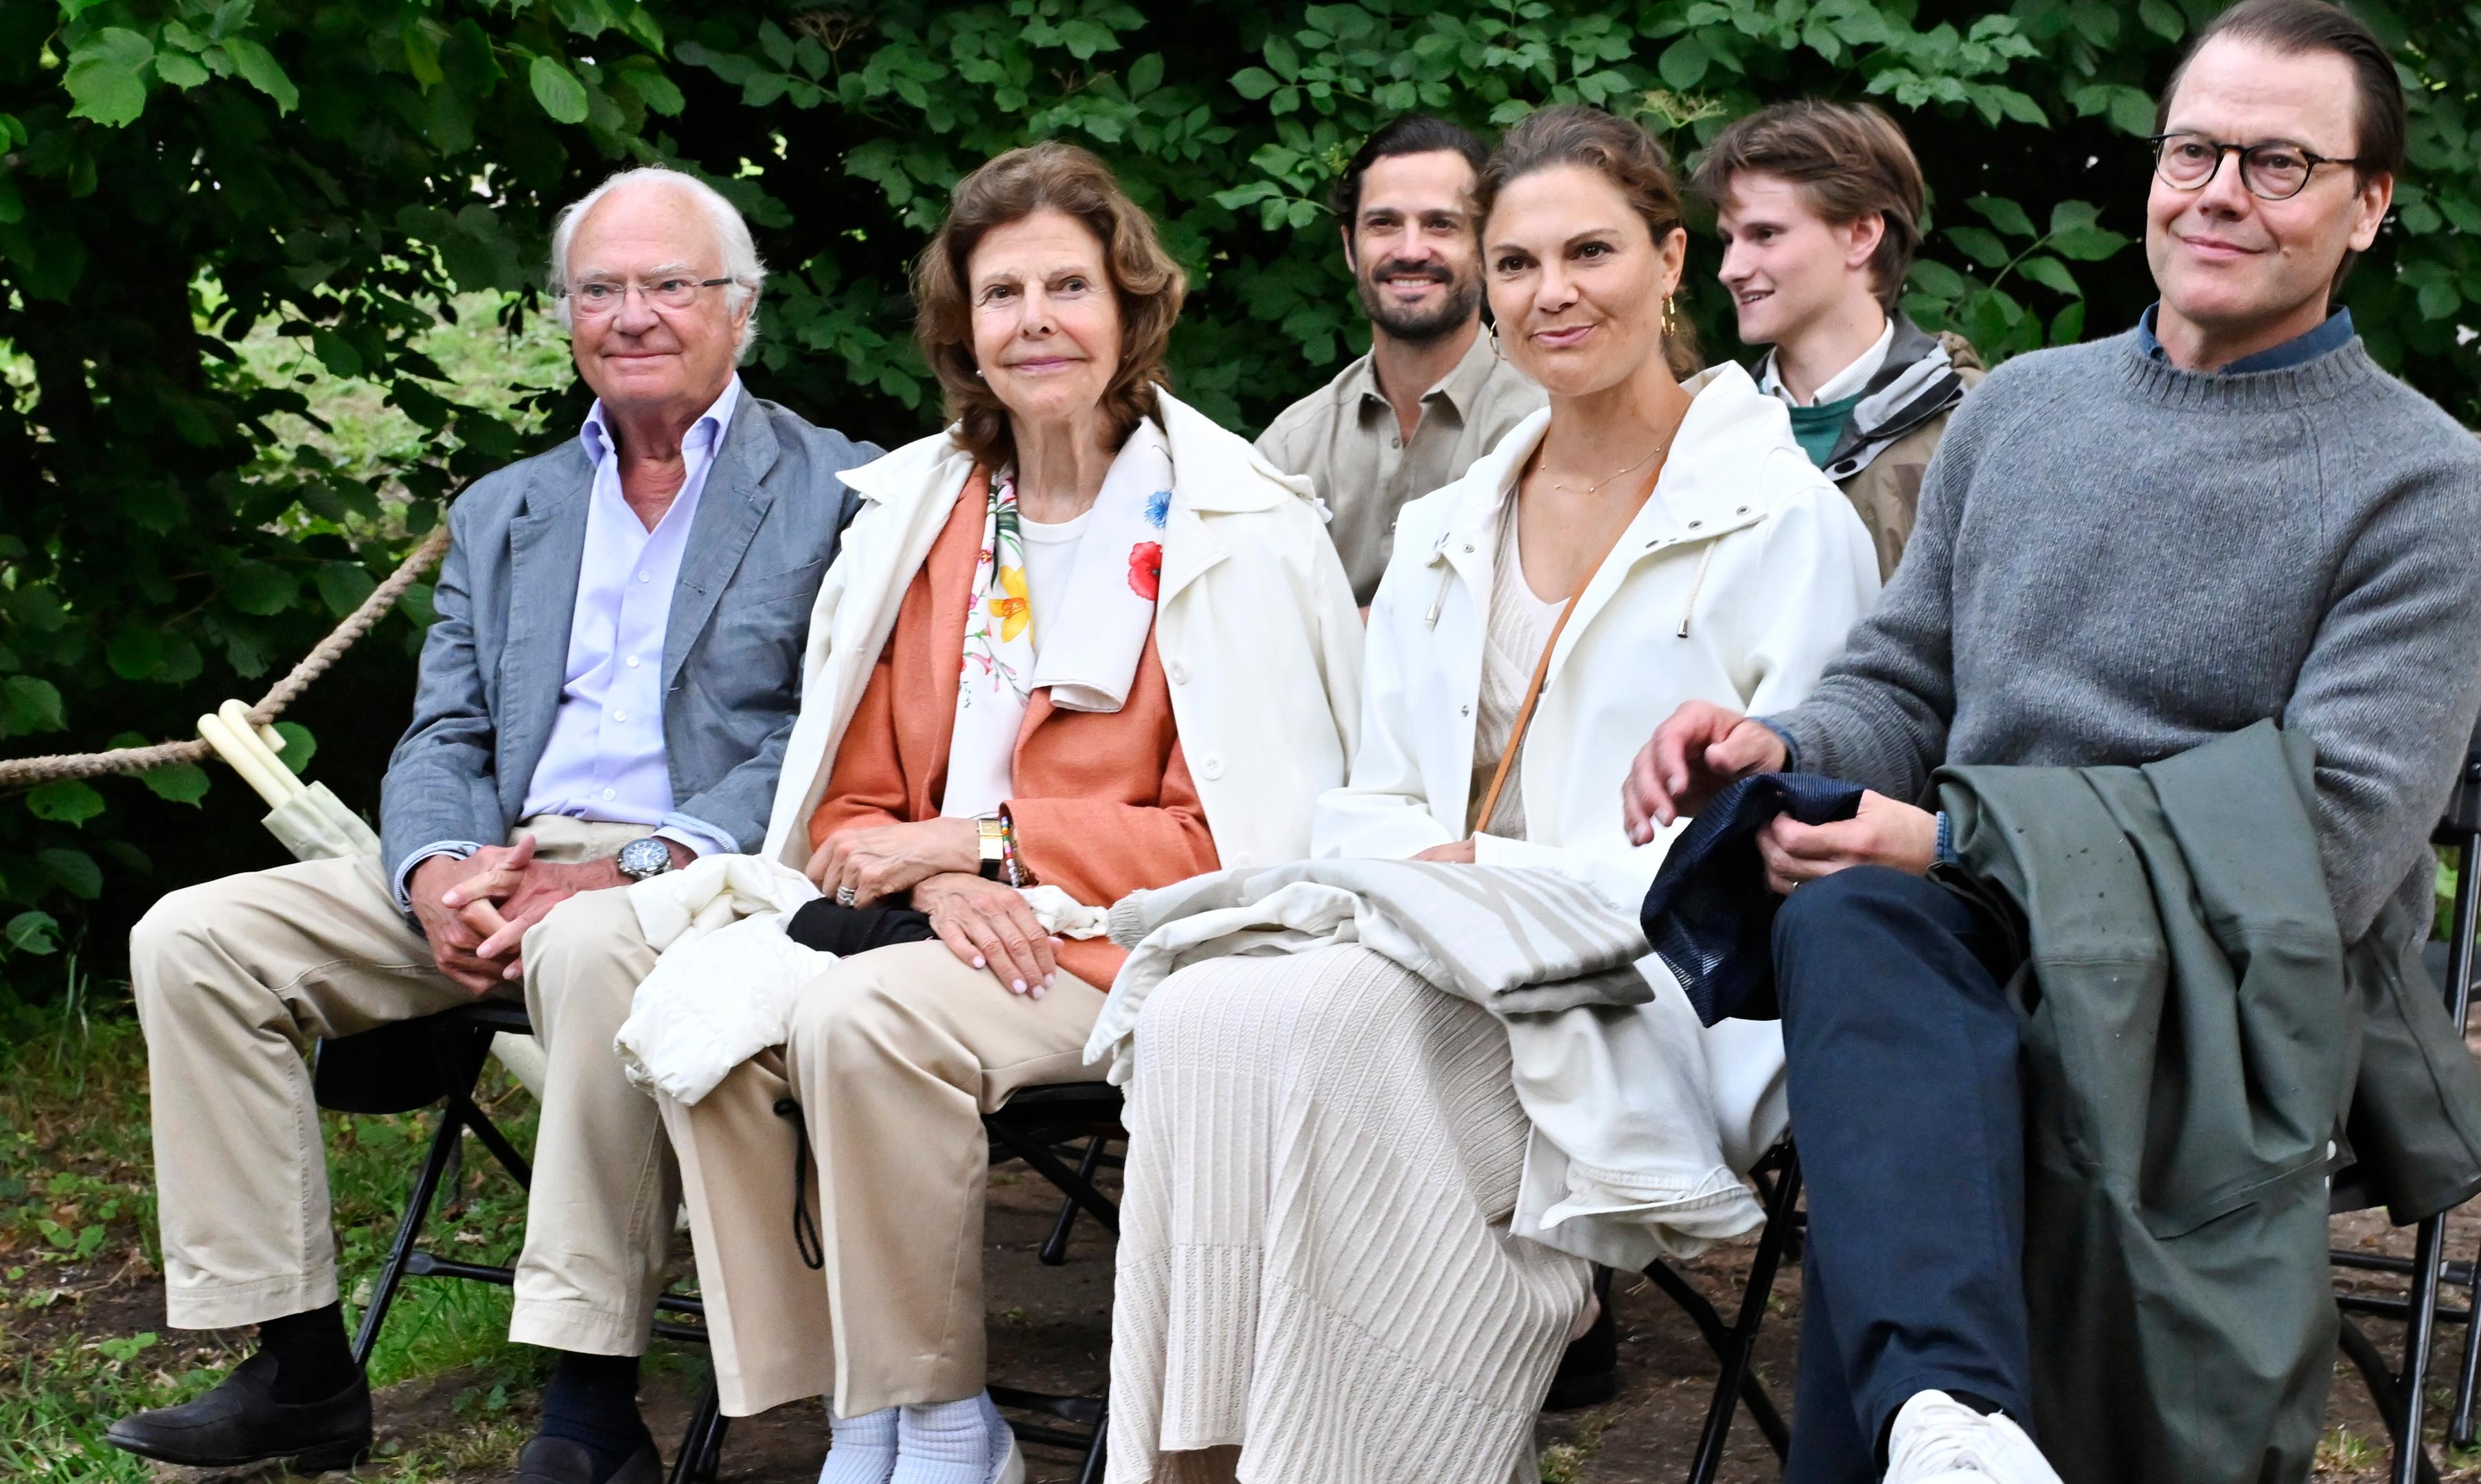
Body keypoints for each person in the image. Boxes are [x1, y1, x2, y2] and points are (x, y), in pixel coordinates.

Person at [1624, 3, 2481, 1481]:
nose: (2222, 191)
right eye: (2195, 150)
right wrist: (1780, 740)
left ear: (2370, 205)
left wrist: (1960, 842)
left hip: (2223, 988)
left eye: (2282, 163)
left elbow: (2336, 851)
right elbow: (1902, 689)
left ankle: (1928, 1415)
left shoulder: (2425, 484)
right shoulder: (2022, 412)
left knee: (1881, 1000)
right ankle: (1951, 1427)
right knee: (1857, 930)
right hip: (1951, 937)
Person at [1105, 106, 1879, 1484]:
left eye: (1590, 252)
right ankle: (1202, 1462)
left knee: (1339, 1023)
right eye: (1515, 263)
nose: (1550, 293)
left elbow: (1782, 838)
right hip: (1439, 943)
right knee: (1201, 1015)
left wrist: (1504, 879)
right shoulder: (1449, 524)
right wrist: (1438, 867)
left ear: (1670, 260)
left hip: (1658, 984)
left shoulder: (1777, 515)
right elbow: (1371, 795)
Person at [576, 141, 1360, 1484]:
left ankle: (945, 1419)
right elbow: (853, 805)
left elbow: (1243, 844)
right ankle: (861, 1404)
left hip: (1138, 940)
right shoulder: (924, 517)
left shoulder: (1239, 526)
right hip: (951, 929)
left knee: (854, 1019)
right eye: (1003, 295)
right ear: (965, 331)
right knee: (701, 1009)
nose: (1036, 320)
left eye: (1070, 286)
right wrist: (942, 880)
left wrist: (986, 843)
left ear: (1132, 313)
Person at [111, 168, 876, 1484]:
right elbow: (446, 732)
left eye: (669, 285)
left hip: (702, 871)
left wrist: (635, 866)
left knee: (588, 952)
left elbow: (826, 734)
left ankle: (590, 1409)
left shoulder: (846, 489)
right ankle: (297, 1366)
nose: (632, 314)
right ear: (567, 314)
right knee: (194, 935)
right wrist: (434, 870)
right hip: (507, 857)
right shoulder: (507, 507)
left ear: (741, 310)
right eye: (600, 288)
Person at [1255, 113, 1546, 606]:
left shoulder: (1545, 425)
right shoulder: (1290, 452)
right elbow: (1248, 630)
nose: (1411, 250)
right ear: (1350, 246)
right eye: (1384, 223)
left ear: (1487, 247)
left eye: (1441, 224)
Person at [1694, 100, 1982, 577]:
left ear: (1862, 234)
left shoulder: (1977, 428)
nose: (1731, 270)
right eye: (1728, 240)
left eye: (1765, 234)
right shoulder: (1702, 430)